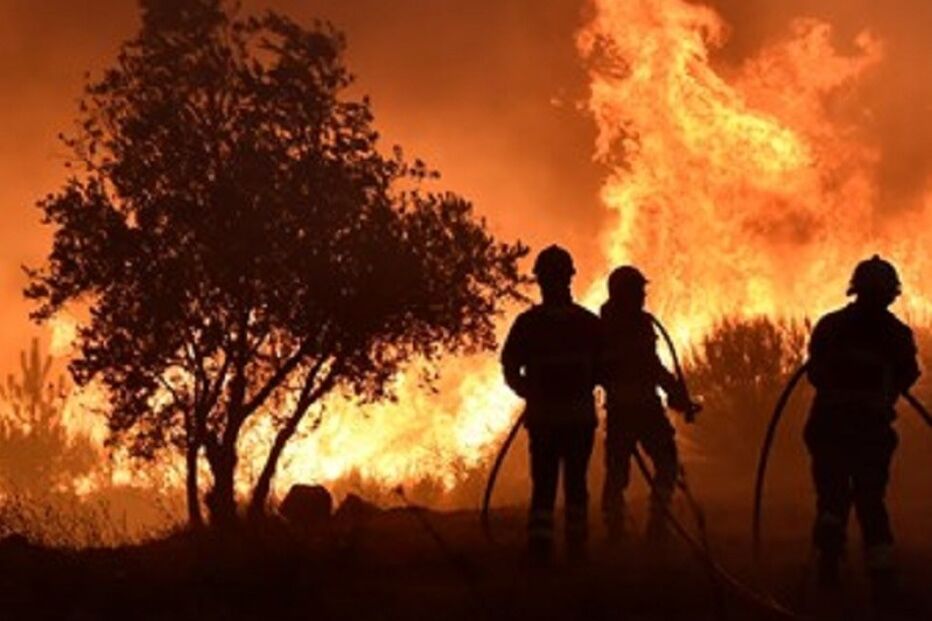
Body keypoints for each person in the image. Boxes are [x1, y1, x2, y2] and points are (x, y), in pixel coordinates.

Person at [805, 255, 920, 597]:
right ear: (891, 293)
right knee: (870, 499)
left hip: (829, 427)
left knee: (832, 498)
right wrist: (882, 393)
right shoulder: (896, 334)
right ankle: (881, 580)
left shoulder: (830, 326)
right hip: (868, 429)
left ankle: (829, 570)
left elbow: (815, 373)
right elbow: (909, 374)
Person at [501, 245, 602, 564]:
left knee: (547, 485)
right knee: (572, 484)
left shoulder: (529, 324)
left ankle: (544, 550)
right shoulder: (587, 323)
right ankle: (572, 549)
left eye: (551, 278)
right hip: (571, 418)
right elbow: (604, 368)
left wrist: (528, 390)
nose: (552, 284)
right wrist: (529, 390)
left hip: (551, 419)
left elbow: (510, 367)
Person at [599, 266, 698, 542]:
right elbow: (650, 368)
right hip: (631, 409)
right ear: (623, 294)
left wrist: (679, 398)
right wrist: (678, 396)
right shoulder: (613, 328)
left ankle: (648, 522)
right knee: (623, 471)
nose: (643, 296)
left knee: (663, 463)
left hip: (638, 407)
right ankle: (623, 525)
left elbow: (652, 367)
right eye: (638, 291)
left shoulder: (632, 323)